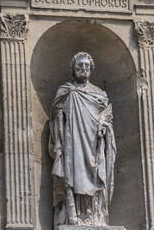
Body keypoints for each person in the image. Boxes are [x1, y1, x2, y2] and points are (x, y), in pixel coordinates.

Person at [49, 52, 116, 226]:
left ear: (91, 69)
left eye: (87, 66)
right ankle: (74, 214)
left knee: (96, 174)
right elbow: (57, 121)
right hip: (73, 142)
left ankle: (96, 215)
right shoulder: (66, 91)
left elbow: (106, 117)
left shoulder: (99, 94)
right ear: (73, 69)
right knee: (73, 174)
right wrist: (58, 140)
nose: (83, 69)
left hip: (94, 143)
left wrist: (104, 127)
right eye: (80, 66)